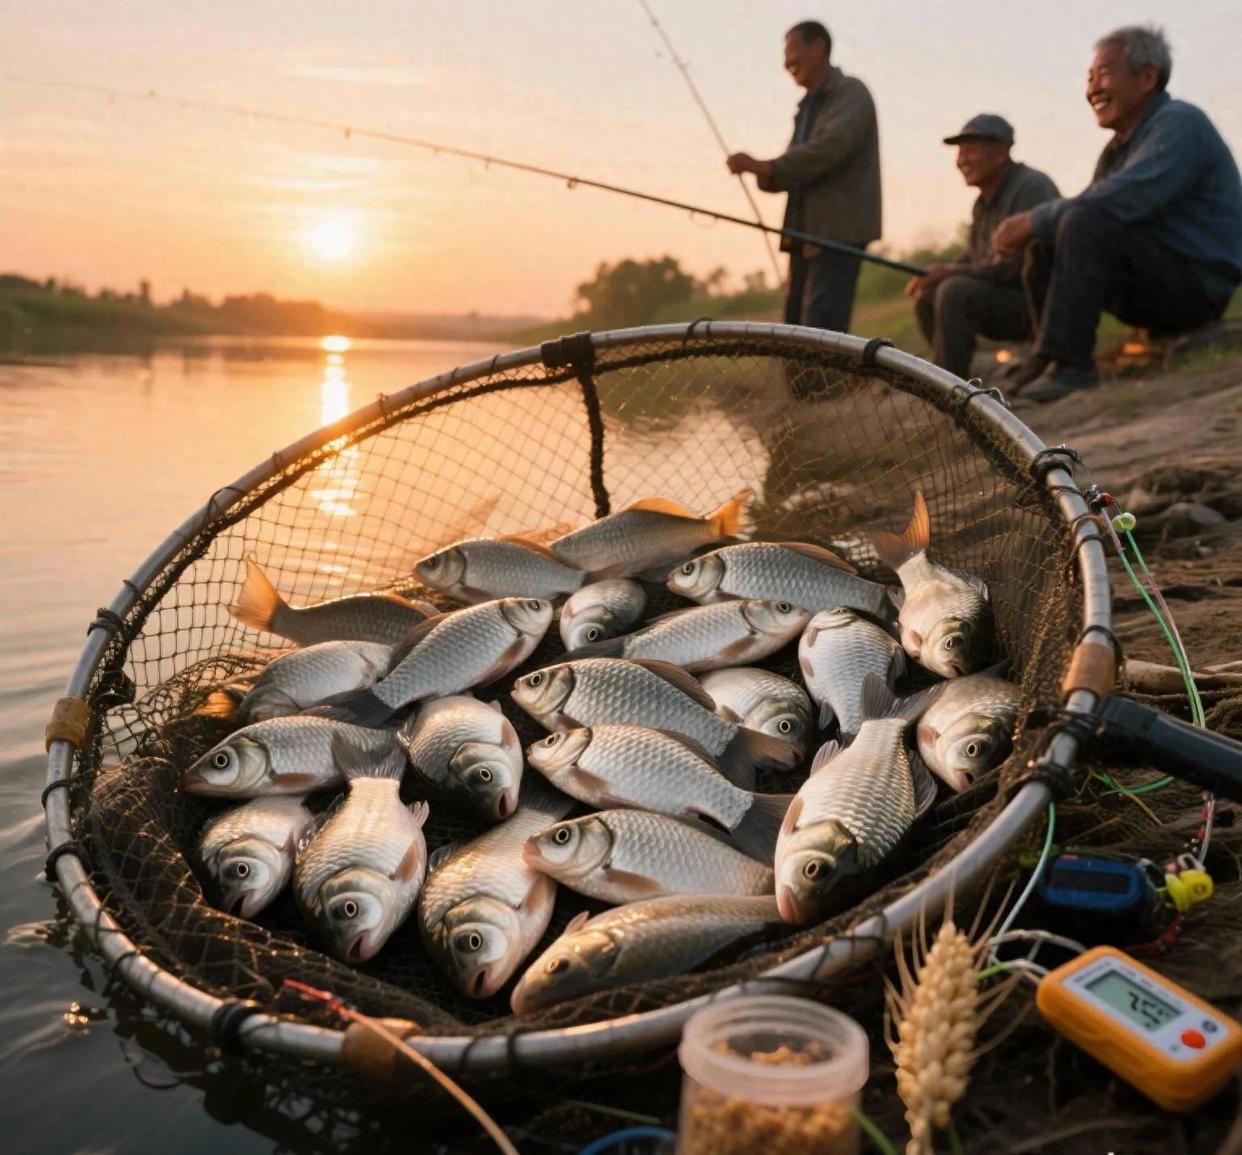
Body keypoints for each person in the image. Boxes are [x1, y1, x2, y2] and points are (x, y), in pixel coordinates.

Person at [994, 25, 1242, 403]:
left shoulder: (1180, 122)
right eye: (1089, 78)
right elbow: (1085, 211)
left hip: (1199, 286)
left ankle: (1072, 367)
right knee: (1046, 243)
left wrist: (1032, 219)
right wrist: (1039, 227)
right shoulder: (1116, 150)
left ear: (1146, 78)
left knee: (1080, 220)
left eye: (1104, 74)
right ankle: (1045, 357)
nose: (1092, 89)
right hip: (1155, 280)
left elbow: (1120, 200)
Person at [727, 20, 881, 335]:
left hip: (837, 233)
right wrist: (766, 173)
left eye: (793, 51)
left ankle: (829, 386)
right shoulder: (808, 107)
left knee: (822, 329)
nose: (787, 63)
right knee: (795, 327)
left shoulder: (851, 92)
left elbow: (829, 149)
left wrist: (767, 167)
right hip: (804, 235)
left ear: (819, 47)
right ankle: (801, 386)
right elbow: (792, 166)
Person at [907, 115, 1059, 381]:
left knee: (954, 291)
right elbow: (977, 256)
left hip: (1039, 306)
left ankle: (950, 389)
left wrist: (949, 273)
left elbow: (1015, 269)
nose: (961, 160)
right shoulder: (982, 203)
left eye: (970, 150)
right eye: (959, 152)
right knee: (927, 294)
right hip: (1005, 298)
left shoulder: (1032, 186)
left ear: (1000, 153)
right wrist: (937, 272)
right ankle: (953, 376)